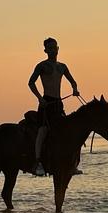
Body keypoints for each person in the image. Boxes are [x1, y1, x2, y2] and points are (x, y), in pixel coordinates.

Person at [28, 37, 79, 177]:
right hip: (46, 102)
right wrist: (39, 98)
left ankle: (72, 164)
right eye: (49, 48)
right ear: (45, 50)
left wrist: (75, 89)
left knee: (68, 130)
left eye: (54, 47)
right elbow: (31, 83)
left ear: (58, 48)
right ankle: (38, 162)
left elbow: (73, 81)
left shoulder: (62, 66)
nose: (52, 50)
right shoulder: (41, 66)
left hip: (58, 103)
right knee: (43, 131)